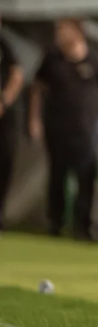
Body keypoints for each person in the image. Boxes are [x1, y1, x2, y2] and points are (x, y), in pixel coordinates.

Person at [29, 19, 98, 239]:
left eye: (63, 31)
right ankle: (55, 223)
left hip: (87, 131)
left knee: (87, 178)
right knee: (57, 177)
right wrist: (34, 120)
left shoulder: (96, 60)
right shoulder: (52, 60)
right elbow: (36, 89)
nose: (58, 36)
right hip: (57, 128)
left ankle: (85, 228)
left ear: (77, 33)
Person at [0, 19, 25, 233]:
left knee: (5, 163)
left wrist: (4, 102)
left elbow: (17, 74)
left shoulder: (5, 44)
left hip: (5, 118)